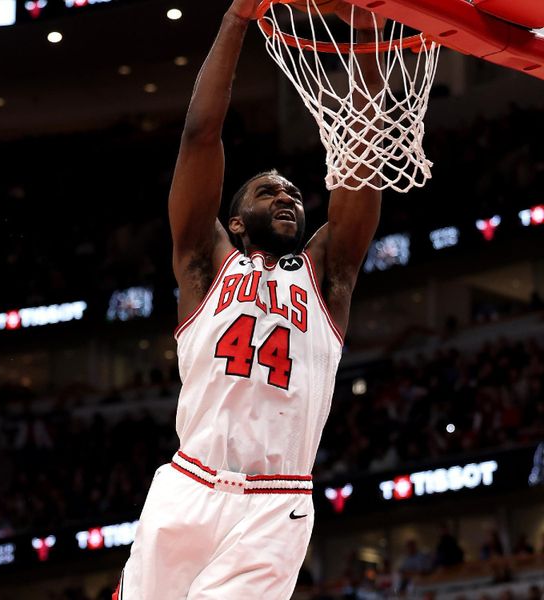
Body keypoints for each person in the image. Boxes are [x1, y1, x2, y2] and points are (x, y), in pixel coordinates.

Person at [115, 0, 386, 597]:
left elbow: (363, 162)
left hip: (275, 502)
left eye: (294, 192)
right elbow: (199, 135)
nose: (287, 196)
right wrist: (237, 17)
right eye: (268, 192)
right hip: (190, 482)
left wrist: (367, 32)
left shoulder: (327, 274)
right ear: (235, 223)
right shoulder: (204, 262)